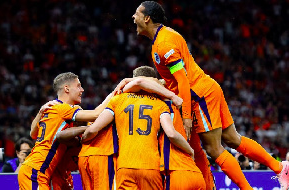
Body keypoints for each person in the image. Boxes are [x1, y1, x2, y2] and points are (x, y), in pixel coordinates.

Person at [131, 1, 289, 189]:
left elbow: (183, 80)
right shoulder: (164, 37)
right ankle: (280, 168)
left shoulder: (164, 44)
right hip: (206, 88)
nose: (134, 17)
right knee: (232, 139)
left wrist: (187, 116)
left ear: (147, 18)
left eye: (137, 13)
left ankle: (250, 186)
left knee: (214, 149)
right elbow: (177, 78)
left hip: (199, 95)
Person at [82, 83, 195, 189]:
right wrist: (190, 150)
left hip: (124, 166)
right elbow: (171, 133)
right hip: (150, 166)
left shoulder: (117, 100)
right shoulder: (160, 105)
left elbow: (93, 129)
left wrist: (83, 138)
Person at [18, 72, 113, 190]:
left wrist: (40, 113)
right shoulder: (62, 109)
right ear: (67, 88)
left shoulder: (52, 107)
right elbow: (96, 114)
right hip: (36, 170)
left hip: (40, 171)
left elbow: (33, 134)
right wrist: (116, 92)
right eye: (78, 86)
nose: (82, 90)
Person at [128, 66, 206, 189]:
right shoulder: (178, 103)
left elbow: (171, 134)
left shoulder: (158, 107)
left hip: (174, 172)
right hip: (195, 172)